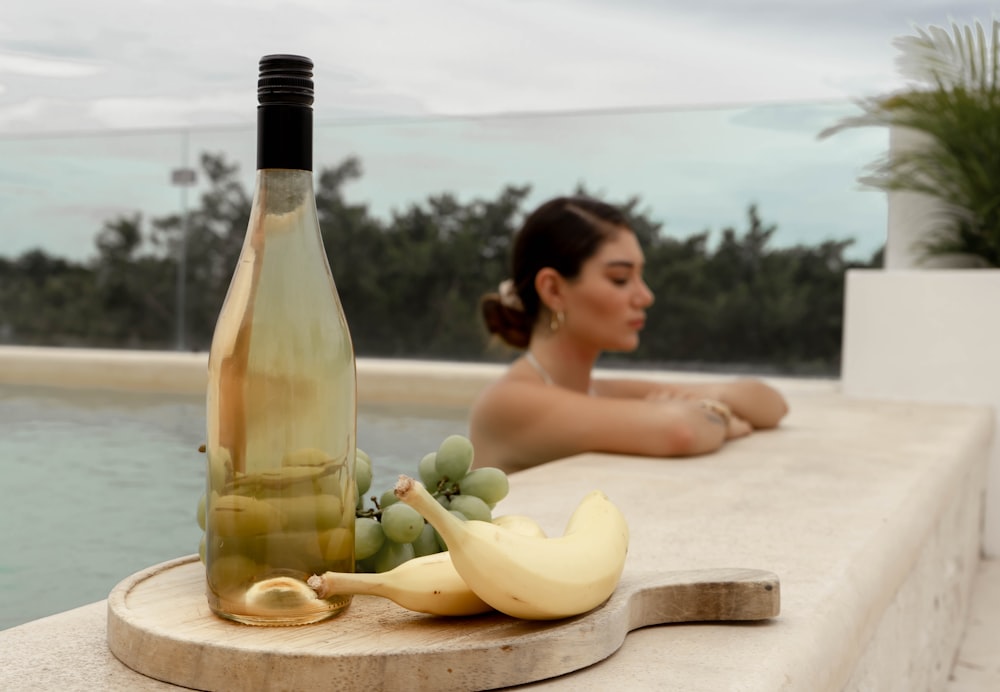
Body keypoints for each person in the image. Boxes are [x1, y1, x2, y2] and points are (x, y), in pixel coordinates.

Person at [469, 195, 789, 474]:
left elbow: (770, 404)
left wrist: (700, 407)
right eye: (621, 279)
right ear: (553, 290)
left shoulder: (597, 391)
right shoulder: (508, 402)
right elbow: (679, 432)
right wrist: (720, 417)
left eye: (640, 275)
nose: (645, 296)